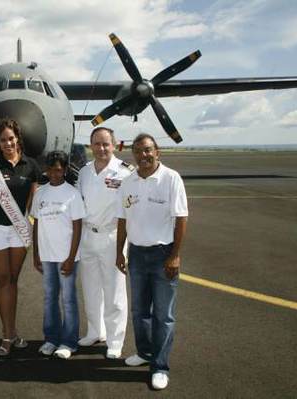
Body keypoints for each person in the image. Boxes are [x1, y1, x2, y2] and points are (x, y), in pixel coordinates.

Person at [116, 133, 188, 390]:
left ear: (157, 152)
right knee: (139, 311)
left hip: (162, 254)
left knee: (163, 315)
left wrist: (175, 255)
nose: (142, 155)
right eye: (138, 151)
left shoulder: (171, 179)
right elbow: (122, 219)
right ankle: (145, 353)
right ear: (133, 155)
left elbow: (181, 218)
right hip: (136, 254)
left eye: (147, 150)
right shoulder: (128, 182)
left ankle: (160, 366)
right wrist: (119, 252)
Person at [0, 118, 41, 356]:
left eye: (11, 138)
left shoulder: (31, 166)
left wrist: (25, 226)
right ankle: (7, 335)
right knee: (2, 280)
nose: (8, 143)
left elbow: (31, 203)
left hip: (19, 230)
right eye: (3, 139)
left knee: (13, 280)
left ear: (18, 139)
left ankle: (12, 332)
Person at [76, 127, 134, 359]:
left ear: (114, 144)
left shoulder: (125, 172)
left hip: (113, 237)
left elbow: (130, 208)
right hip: (88, 235)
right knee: (90, 288)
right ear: (90, 146)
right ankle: (95, 331)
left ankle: (115, 340)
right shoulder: (85, 172)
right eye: (97, 144)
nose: (101, 149)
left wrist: (124, 245)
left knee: (114, 292)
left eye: (105, 144)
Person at [31, 151, 85, 359]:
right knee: (49, 298)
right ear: (46, 170)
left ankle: (69, 342)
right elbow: (36, 224)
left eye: (59, 169)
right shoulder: (40, 193)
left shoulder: (72, 193)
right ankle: (51, 339)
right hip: (47, 256)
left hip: (66, 256)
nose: (55, 173)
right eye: (51, 169)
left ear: (65, 170)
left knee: (68, 299)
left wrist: (71, 258)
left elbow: (78, 227)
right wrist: (36, 253)